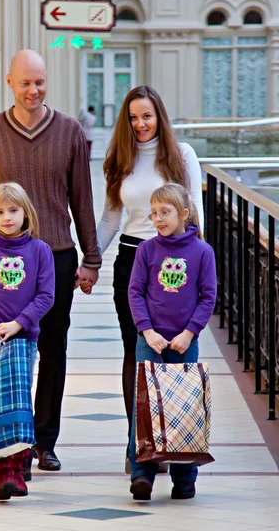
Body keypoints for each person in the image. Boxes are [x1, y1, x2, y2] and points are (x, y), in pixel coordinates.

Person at [0, 50, 101, 473]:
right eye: (25, 83)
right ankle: (11, 441)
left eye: (39, 82)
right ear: (9, 82)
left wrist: (91, 259)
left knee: (53, 348)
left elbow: (82, 198)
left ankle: (44, 440)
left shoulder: (70, 131)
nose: (33, 90)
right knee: (6, 348)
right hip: (2, 260)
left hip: (55, 256)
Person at [93, 85, 203, 473]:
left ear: (160, 116)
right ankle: (139, 446)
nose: (140, 124)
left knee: (176, 356)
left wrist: (201, 270)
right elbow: (110, 218)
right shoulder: (120, 159)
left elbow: (196, 213)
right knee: (136, 353)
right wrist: (90, 261)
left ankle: (174, 445)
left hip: (176, 265)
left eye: (147, 116)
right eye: (133, 117)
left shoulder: (181, 155)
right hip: (133, 261)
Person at [0, 182, 55, 501]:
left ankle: (18, 468)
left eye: (13, 210)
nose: (6, 217)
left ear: (25, 213)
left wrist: (18, 324)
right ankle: (3, 473)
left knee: (18, 404)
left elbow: (46, 296)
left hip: (23, 340)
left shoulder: (40, 251)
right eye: (0, 212)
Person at [127, 182, 217, 500]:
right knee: (145, 406)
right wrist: (147, 330)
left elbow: (208, 297)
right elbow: (135, 292)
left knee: (184, 406)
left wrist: (189, 332)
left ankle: (184, 477)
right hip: (149, 340)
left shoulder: (202, 252)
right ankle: (143, 474)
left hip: (183, 342)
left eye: (164, 212)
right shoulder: (146, 250)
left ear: (183, 213)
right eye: (153, 213)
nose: (158, 219)